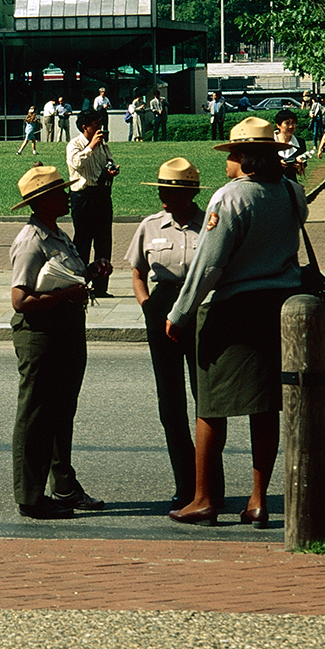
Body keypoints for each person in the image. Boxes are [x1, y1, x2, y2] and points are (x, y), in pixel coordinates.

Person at [162, 116, 304, 528]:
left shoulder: (229, 198)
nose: (226, 162)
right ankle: (259, 499)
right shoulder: (291, 192)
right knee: (265, 406)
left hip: (233, 308)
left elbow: (209, 264)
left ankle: (204, 498)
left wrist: (180, 313)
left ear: (242, 157)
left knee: (211, 406)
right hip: (280, 307)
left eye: (230, 155)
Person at [7, 163, 103, 519]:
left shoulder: (57, 234)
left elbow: (64, 279)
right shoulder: (31, 241)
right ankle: (30, 497)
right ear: (44, 200)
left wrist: (91, 273)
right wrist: (67, 296)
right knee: (35, 417)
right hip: (41, 335)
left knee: (62, 413)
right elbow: (21, 300)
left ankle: (64, 486)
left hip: (66, 331)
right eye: (60, 192)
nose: (67, 195)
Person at [127, 157, 204, 509]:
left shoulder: (210, 225)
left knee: (206, 402)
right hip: (162, 308)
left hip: (200, 312)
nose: (161, 196)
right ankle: (185, 483)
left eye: (168, 190)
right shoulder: (151, 225)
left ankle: (207, 483)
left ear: (187, 193)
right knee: (170, 404)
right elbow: (138, 271)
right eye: (160, 189)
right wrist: (147, 306)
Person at [65, 109, 119, 297]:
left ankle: (101, 286)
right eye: (95, 125)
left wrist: (111, 169)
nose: (99, 129)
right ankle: (80, 284)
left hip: (102, 194)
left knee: (104, 242)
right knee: (83, 242)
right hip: (83, 197)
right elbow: (77, 164)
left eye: (100, 124)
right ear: (84, 127)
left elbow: (108, 161)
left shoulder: (103, 145)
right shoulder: (75, 145)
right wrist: (91, 147)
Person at [274, 109, 309, 180]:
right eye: (287, 123)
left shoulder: (300, 143)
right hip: (272, 183)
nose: (291, 126)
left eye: (293, 123)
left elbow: (301, 172)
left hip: (290, 183)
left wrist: (299, 167)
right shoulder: (270, 142)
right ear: (278, 125)